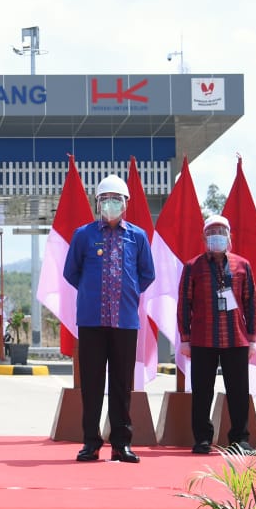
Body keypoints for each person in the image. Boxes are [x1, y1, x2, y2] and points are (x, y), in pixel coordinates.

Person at [63, 174, 156, 463]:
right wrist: (94, 292)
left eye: (116, 199)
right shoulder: (84, 235)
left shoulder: (137, 236)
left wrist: (124, 292)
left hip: (125, 321)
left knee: (120, 384)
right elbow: (71, 272)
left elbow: (147, 274)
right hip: (91, 320)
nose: (111, 204)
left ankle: (121, 444)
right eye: (105, 199)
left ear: (126, 203)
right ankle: (91, 442)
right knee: (91, 384)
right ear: (97, 203)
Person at [177, 214, 256, 455]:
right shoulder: (193, 266)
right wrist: (185, 337)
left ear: (229, 237)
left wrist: (252, 337)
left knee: (239, 391)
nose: (217, 237)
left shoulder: (242, 265)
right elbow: (184, 303)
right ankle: (202, 439)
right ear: (204, 237)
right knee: (202, 391)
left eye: (221, 232)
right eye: (212, 233)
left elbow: (251, 302)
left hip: (236, 338)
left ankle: (240, 439)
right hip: (203, 338)